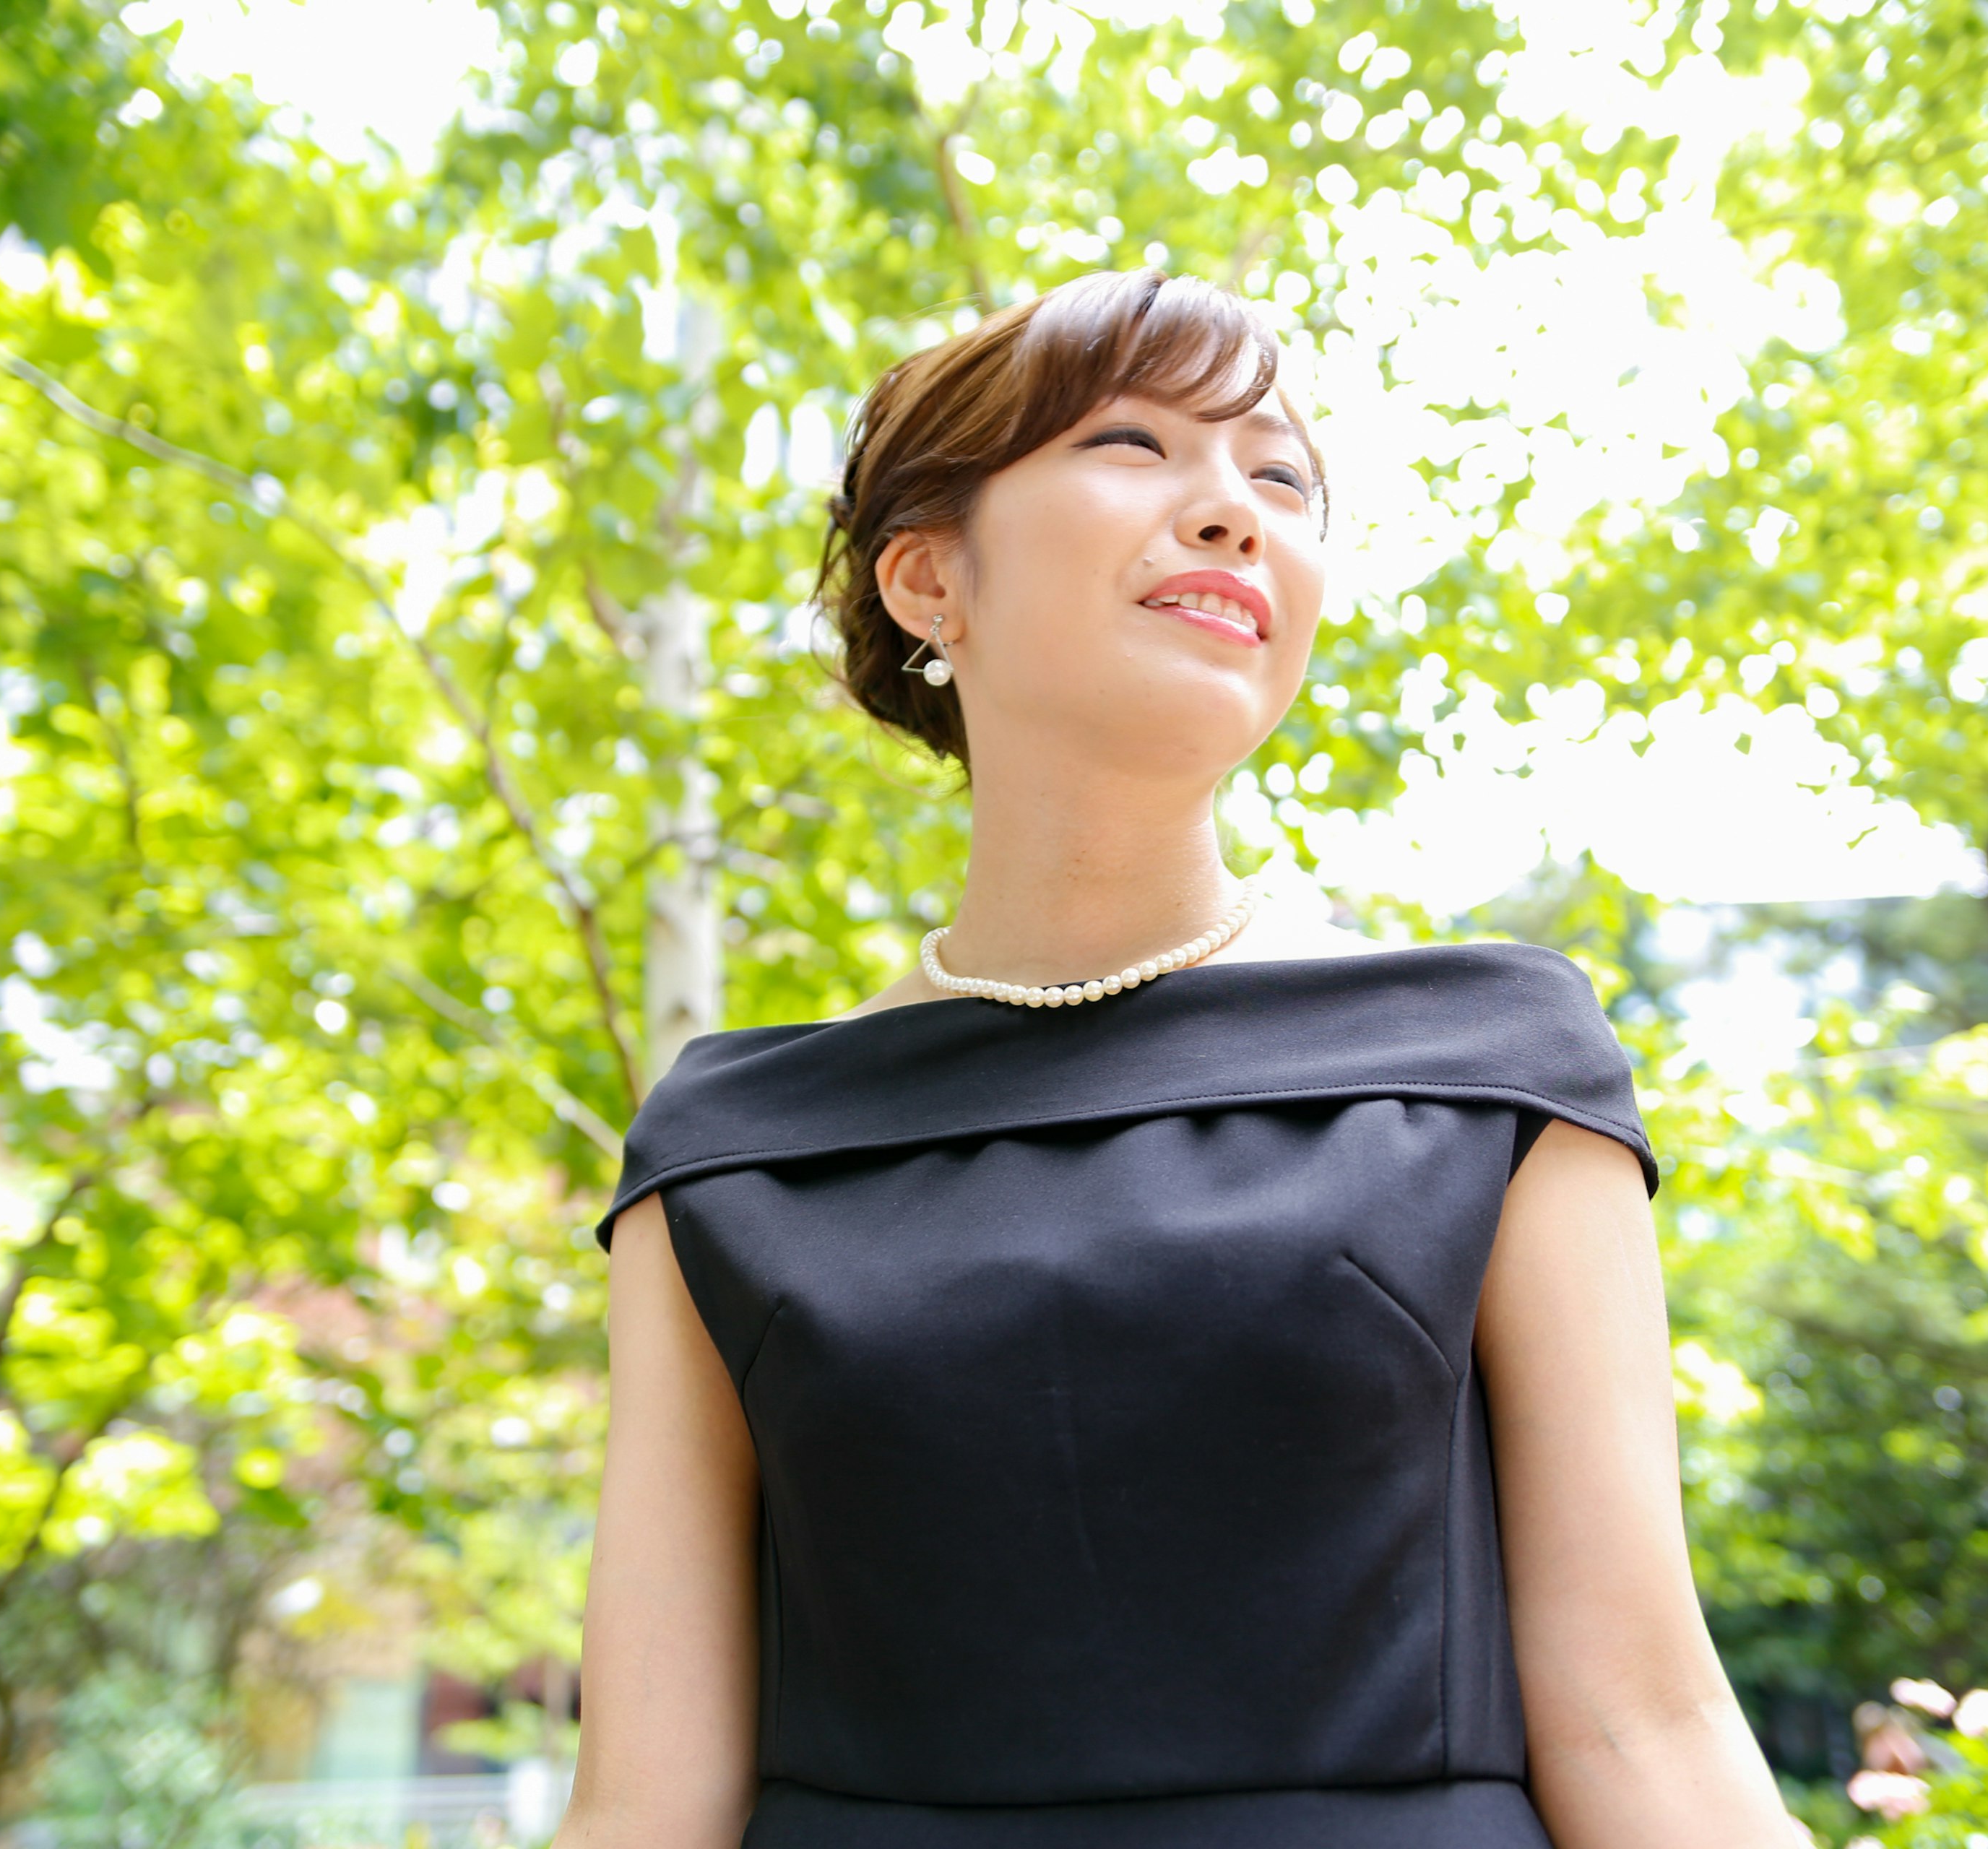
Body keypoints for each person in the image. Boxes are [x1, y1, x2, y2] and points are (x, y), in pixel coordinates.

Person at [555, 269, 1801, 1848]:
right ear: (930, 580)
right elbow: (647, 1797)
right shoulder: (728, 1149)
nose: (1233, 512)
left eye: (1279, 477)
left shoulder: (1494, 1065)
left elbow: (1645, 1714)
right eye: (1136, 445)